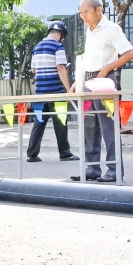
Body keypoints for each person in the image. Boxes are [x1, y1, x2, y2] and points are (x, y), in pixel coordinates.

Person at [70, 0, 133, 183]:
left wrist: (108, 68)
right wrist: (78, 80)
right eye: (81, 12)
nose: (83, 16)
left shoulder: (111, 29)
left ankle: (114, 170)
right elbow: (89, 56)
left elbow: (130, 52)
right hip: (89, 80)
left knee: (109, 128)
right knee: (89, 126)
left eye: (86, 12)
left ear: (99, 10)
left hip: (105, 80)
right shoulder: (90, 29)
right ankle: (92, 168)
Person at [26, 21, 79, 163]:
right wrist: (68, 91)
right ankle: (65, 153)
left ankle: (32, 154)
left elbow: (33, 70)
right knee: (60, 123)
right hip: (56, 91)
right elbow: (61, 68)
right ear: (60, 34)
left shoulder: (37, 47)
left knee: (39, 122)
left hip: (40, 92)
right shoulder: (57, 46)